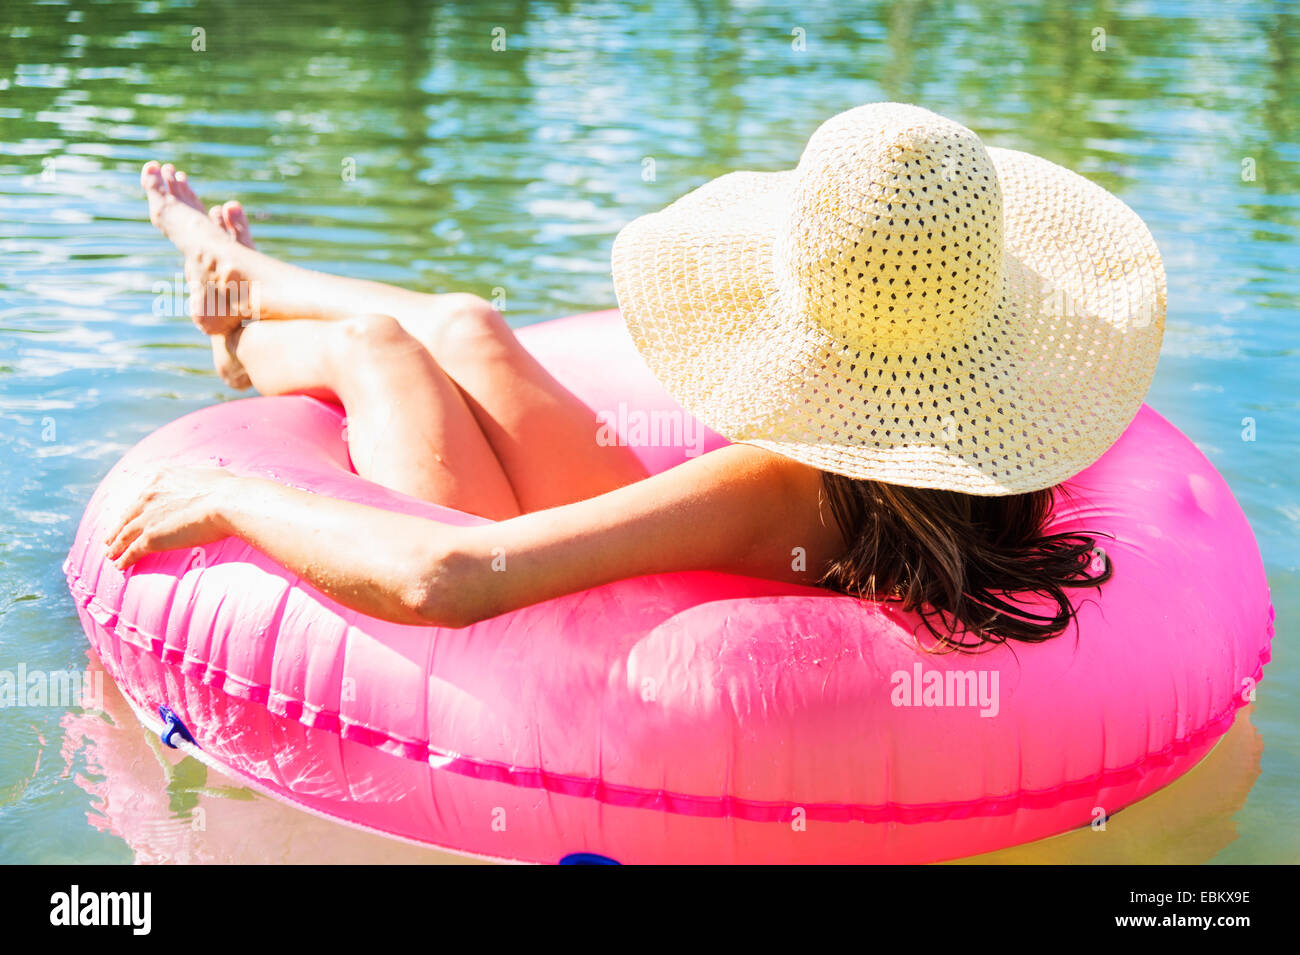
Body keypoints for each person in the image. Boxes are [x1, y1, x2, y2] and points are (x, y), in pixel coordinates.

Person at [105, 103, 1165, 647]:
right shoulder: (1011, 453)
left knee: (372, 345)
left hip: (527, 616)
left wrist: (235, 496)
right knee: (467, 324)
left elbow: (451, 578)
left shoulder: (779, 487)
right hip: (639, 558)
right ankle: (241, 273)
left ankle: (236, 343)